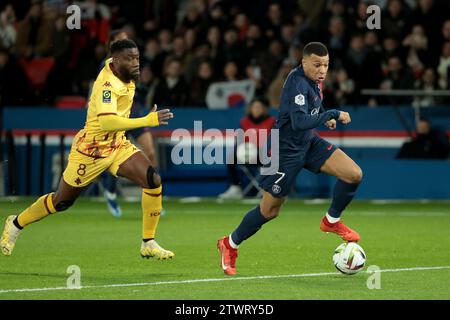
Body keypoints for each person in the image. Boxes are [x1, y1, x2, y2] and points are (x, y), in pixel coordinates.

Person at [0, 39, 175, 260]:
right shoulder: (107, 84)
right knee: (60, 202)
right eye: (130, 59)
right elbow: (107, 123)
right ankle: (15, 223)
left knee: (152, 179)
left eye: (137, 58)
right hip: (90, 151)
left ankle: (148, 242)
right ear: (117, 60)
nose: (136, 63)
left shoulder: (124, 71)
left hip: (117, 145)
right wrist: (147, 119)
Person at [217, 42, 362, 275]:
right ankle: (229, 243)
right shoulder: (296, 83)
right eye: (317, 64)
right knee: (270, 211)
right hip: (283, 150)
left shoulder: (314, 80)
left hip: (308, 142)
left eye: (325, 65)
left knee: (353, 174)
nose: (322, 69)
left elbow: (311, 109)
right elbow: (298, 122)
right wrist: (332, 113)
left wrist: (323, 117)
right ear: (303, 62)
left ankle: (331, 221)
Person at [100, 30, 161, 218]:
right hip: (117, 116)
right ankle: (110, 192)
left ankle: (151, 193)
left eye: (126, 37)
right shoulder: (107, 67)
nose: (124, 41)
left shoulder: (134, 61)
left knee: (150, 150)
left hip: (134, 111)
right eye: (119, 39)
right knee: (115, 157)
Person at [218, 98, 276, 199]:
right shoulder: (244, 122)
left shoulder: (271, 121)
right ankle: (235, 187)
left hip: (265, 154)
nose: (256, 110)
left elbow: (274, 140)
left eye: (259, 107)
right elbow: (240, 139)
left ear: (264, 109)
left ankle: (269, 188)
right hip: (248, 152)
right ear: (250, 109)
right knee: (232, 157)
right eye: (254, 107)